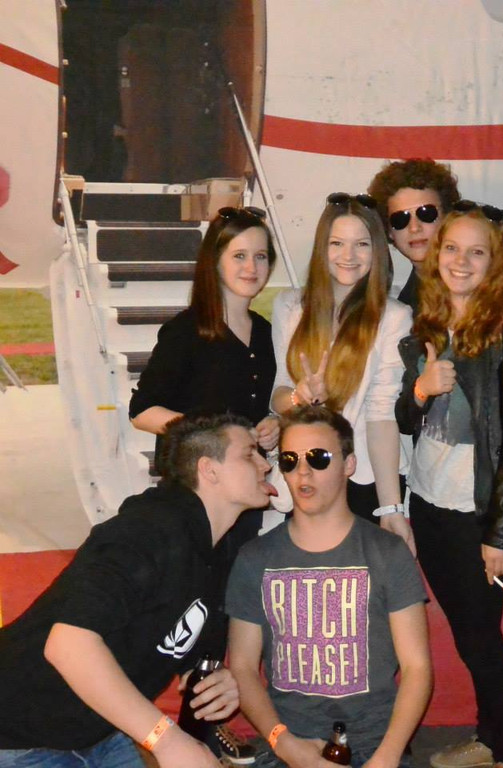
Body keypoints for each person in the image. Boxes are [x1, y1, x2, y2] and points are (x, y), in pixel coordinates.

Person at [0, 412, 275, 768]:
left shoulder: (216, 551)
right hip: (15, 735)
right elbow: (68, 644)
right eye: (249, 454)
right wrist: (166, 739)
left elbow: (187, 649)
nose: (265, 466)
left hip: (96, 733)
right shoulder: (145, 530)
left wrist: (218, 681)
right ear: (209, 470)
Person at [395, 202, 503, 768]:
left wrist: (501, 534)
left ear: (494, 261)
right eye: (452, 248)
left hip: (477, 513)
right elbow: (405, 417)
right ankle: (490, 738)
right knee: (467, 635)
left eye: (476, 252)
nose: (461, 260)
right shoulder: (424, 324)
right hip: (428, 505)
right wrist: (422, 388)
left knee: (482, 640)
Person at [226, 405, 433, 768]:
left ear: (349, 464)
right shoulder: (255, 557)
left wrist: (386, 758)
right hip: (289, 743)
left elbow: (417, 667)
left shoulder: (387, 552)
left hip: (375, 745)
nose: (303, 471)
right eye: (290, 460)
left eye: (318, 458)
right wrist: (283, 743)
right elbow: (242, 667)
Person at [271, 193, 413, 551]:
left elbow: (382, 415)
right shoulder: (290, 307)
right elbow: (279, 395)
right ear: (322, 248)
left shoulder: (393, 317)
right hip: (306, 471)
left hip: (364, 477)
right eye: (337, 243)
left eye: (361, 244)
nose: (348, 255)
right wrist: (299, 398)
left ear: (377, 250)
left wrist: (391, 507)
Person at [129, 206, 279, 471]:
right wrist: (215, 437)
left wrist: (273, 423)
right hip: (195, 483)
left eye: (261, 256)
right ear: (215, 260)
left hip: (248, 482)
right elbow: (142, 412)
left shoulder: (266, 332)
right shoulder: (186, 330)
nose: (251, 267)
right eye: (239, 256)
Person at [367, 158, 503, 312]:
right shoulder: (408, 309)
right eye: (400, 219)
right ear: (389, 230)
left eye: (426, 213)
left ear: (448, 215)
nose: (414, 228)